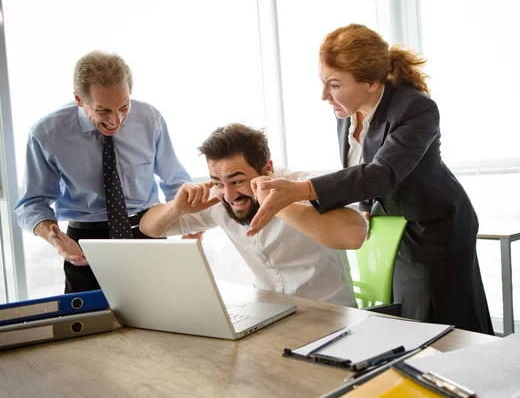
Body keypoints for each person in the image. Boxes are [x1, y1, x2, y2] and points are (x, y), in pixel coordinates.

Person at [247, 24, 494, 334]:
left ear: (373, 82)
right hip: (394, 223)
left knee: (442, 317)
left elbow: (382, 172)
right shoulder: (346, 111)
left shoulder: (417, 109)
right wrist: (364, 208)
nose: (324, 95)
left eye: (334, 85)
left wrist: (300, 190)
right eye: (323, 82)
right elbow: (363, 170)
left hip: (434, 226)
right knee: (406, 315)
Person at [14, 51, 191, 293]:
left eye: (124, 106)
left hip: (148, 231)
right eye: (104, 110)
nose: (116, 119)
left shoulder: (150, 119)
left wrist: (190, 222)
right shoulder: (47, 134)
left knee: (164, 320)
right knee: (90, 325)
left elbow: (175, 182)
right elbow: (32, 203)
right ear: (79, 99)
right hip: (86, 244)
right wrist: (53, 237)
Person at [139, 123, 366, 307]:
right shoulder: (219, 198)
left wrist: (276, 203)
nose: (229, 195)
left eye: (237, 181)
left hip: (328, 314)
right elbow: (149, 228)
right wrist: (177, 208)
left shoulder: (301, 185)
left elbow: (354, 235)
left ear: (266, 167)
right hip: (271, 315)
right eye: (218, 182)